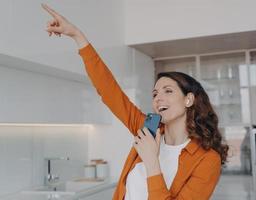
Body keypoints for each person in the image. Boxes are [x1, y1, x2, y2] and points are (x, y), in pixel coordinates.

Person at [42, 4, 228, 200]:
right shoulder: (147, 131)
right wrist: (77, 36)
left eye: (168, 91)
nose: (158, 98)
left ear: (189, 99)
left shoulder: (207, 160)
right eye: (155, 94)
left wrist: (151, 161)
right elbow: (109, 90)